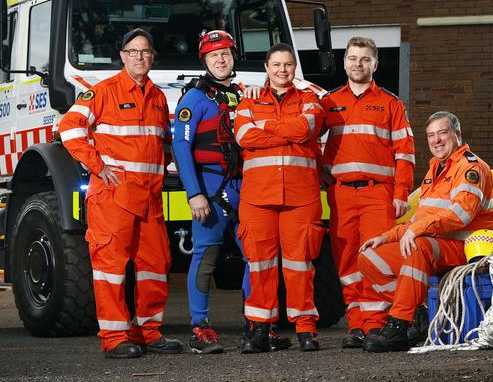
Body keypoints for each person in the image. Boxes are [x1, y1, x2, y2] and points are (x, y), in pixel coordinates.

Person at [59, 28, 182, 358]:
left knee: (156, 265)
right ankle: (115, 339)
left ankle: (148, 332)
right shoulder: (102, 91)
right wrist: (97, 167)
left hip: (150, 199)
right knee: (111, 269)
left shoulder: (157, 97)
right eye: (133, 51)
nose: (139, 57)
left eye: (145, 51)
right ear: (123, 56)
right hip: (113, 197)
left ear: (152, 57)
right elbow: (69, 128)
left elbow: (162, 145)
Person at [172, 30, 290, 354]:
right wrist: (193, 193)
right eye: (214, 56)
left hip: (245, 189)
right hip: (209, 190)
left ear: (233, 56)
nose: (221, 60)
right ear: (205, 61)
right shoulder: (194, 99)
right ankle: (199, 328)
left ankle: (256, 326)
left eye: (225, 53)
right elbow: (180, 145)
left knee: (258, 256)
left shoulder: (243, 94)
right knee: (206, 256)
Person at [357, 111, 493, 352]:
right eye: (431, 135)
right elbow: (421, 219)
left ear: (457, 134)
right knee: (370, 257)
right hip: (436, 246)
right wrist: (386, 237)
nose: (436, 140)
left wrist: (417, 231)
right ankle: (419, 316)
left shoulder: (471, 168)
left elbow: (461, 215)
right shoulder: (435, 171)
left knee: (418, 246)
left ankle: (398, 325)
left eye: (442, 133)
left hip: (466, 249)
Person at [320, 36, 415, 349]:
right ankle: (356, 324)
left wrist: (401, 194)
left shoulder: (391, 104)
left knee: (374, 259)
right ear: (344, 61)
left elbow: (405, 153)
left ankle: (375, 324)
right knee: (346, 261)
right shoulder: (329, 102)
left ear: (375, 64)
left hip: (378, 195)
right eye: (352, 58)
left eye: (364, 59)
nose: (357, 64)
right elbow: (306, 138)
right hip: (342, 195)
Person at [234, 43, 326, 353]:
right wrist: (289, 130)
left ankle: (305, 329)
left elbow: (309, 127)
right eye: (276, 65)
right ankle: (260, 330)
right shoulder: (248, 101)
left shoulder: (311, 99)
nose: (282, 70)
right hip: (258, 198)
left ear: (294, 68)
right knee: (260, 266)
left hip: (300, 197)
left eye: (288, 65)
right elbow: (244, 136)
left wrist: (267, 129)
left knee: (300, 266)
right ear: (267, 67)